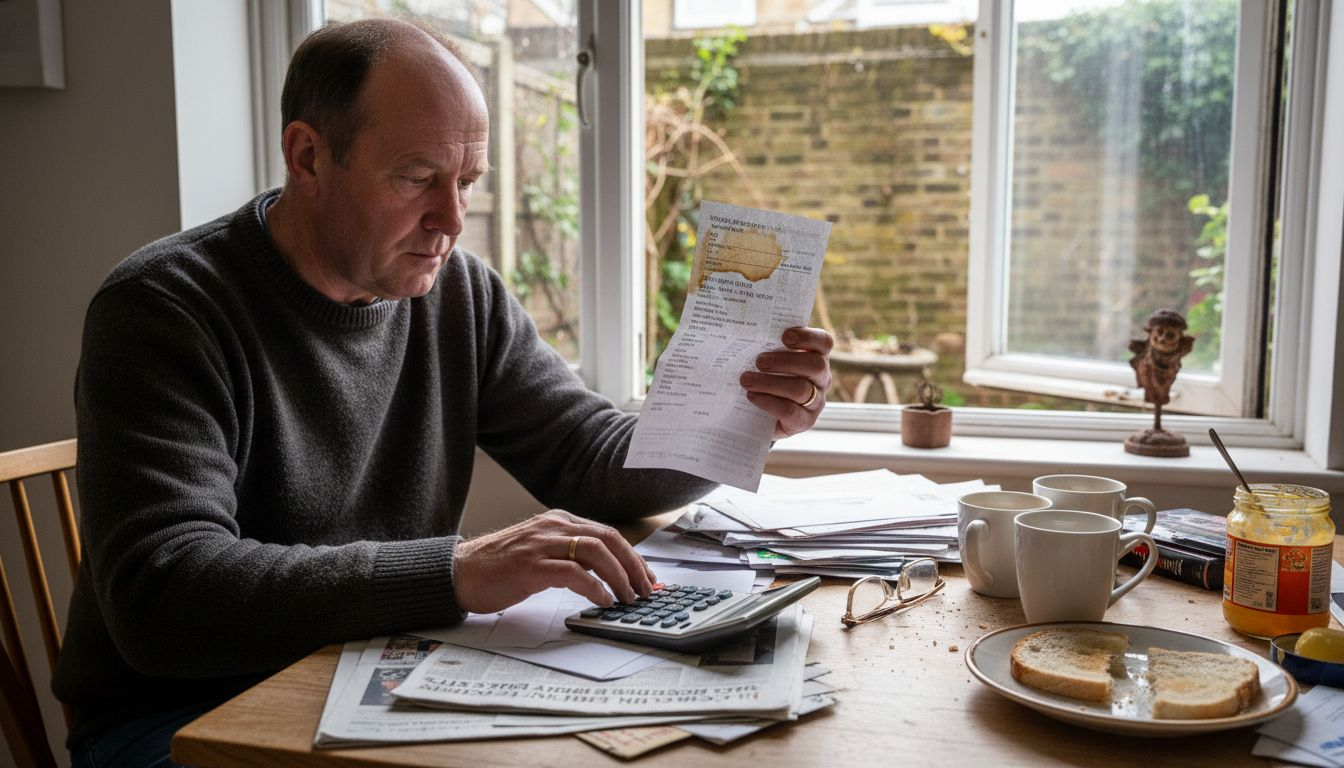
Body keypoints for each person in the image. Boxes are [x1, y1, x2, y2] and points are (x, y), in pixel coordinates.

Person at [52, 17, 834, 767]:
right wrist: (456, 570)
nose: (452, 218)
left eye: (468, 180)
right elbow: (164, 597)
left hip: (367, 677)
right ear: (308, 157)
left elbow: (587, 457)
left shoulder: (457, 293)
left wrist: (739, 410)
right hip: (176, 719)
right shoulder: (163, 309)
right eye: (418, 177)